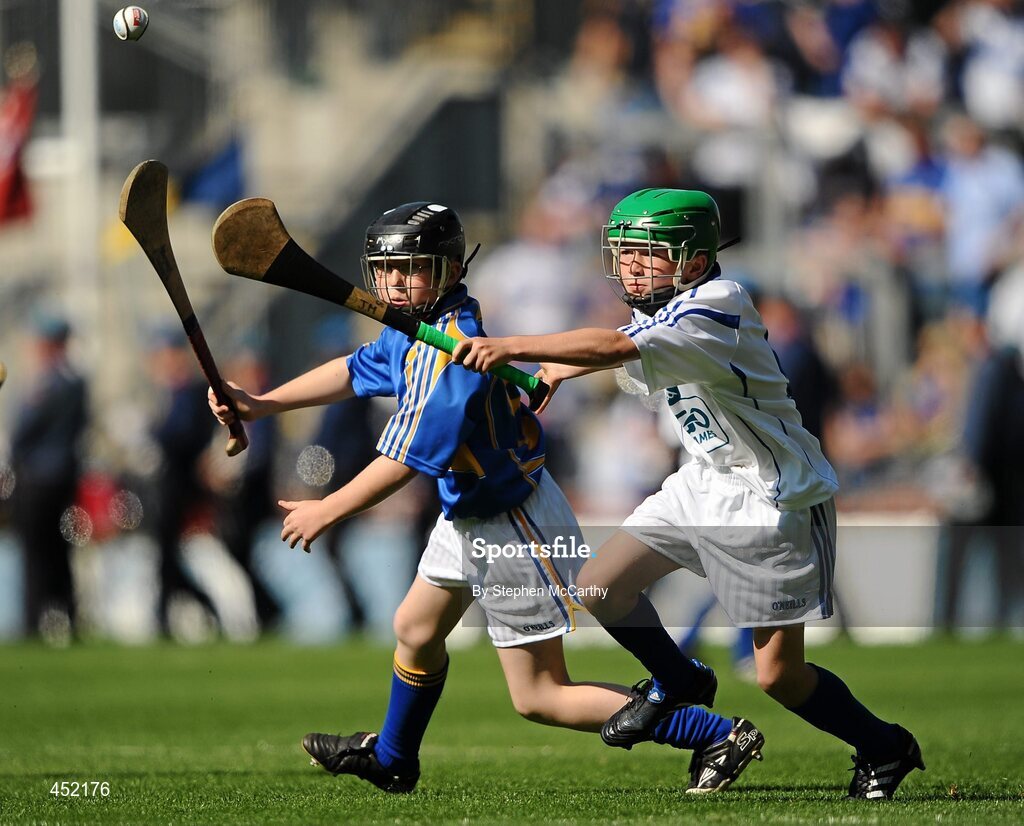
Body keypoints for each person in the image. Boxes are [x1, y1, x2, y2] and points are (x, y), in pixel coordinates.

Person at [209, 201, 764, 794]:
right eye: (387, 270)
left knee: (540, 695)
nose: (395, 283)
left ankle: (711, 731)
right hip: (469, 511)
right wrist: (262, 403)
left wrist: (329, 507)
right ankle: (395, 757)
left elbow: (404, 461)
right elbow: (353, 370)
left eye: (412, 268)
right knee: (416, 629)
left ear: (450, 270)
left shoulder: (452, 351)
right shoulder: (413, 331)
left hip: (509, 523)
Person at [452, 188, 924, 801]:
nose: (630, 266)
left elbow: (619, 346)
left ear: (695, 261)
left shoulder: (718, 303)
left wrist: (514, 346)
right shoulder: (662, 313)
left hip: (770, 497)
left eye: (648, 253)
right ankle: (679, 678)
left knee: (778, 676)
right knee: (598, 585)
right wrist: (557, 372)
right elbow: (621, 342)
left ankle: (885, 746)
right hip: (701, 483)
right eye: (624, 253)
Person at [10, 312, 87, 638]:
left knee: (36, 551)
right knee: (58, 549)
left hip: (38, 479)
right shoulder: (75, 380)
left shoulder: (49, 382)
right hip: (63, 476)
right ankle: (66, 616)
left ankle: (33, 621)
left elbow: (23, 433)